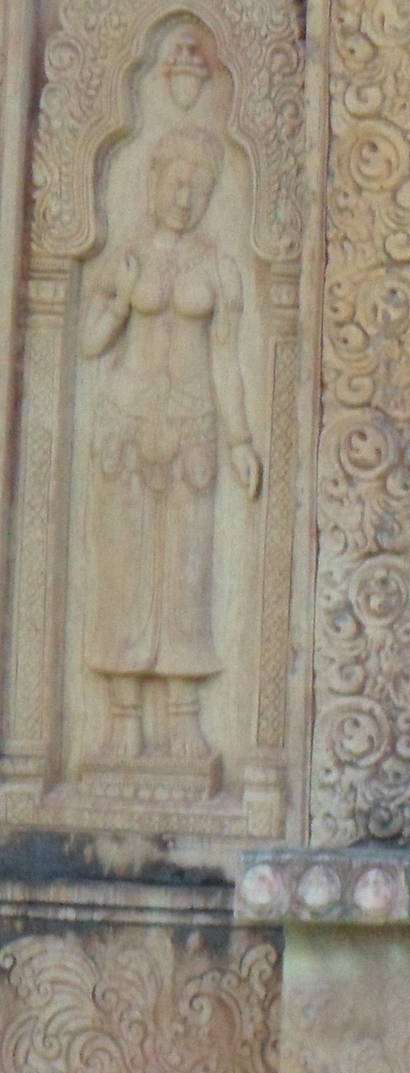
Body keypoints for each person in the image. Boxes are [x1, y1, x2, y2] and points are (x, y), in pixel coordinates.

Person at [79, 124, 260, 760]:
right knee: (126, 568)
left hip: (193, 429)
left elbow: (226, 360)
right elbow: (91, 341)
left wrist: (239, 439)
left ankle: (185, 714)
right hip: (125, 425)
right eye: (174, 183)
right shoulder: (126, 257)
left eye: (197, 188)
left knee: (189, 569)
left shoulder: (218, 265)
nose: (184, 197)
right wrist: (124, 297)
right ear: (153, 184)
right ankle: (122, 714)